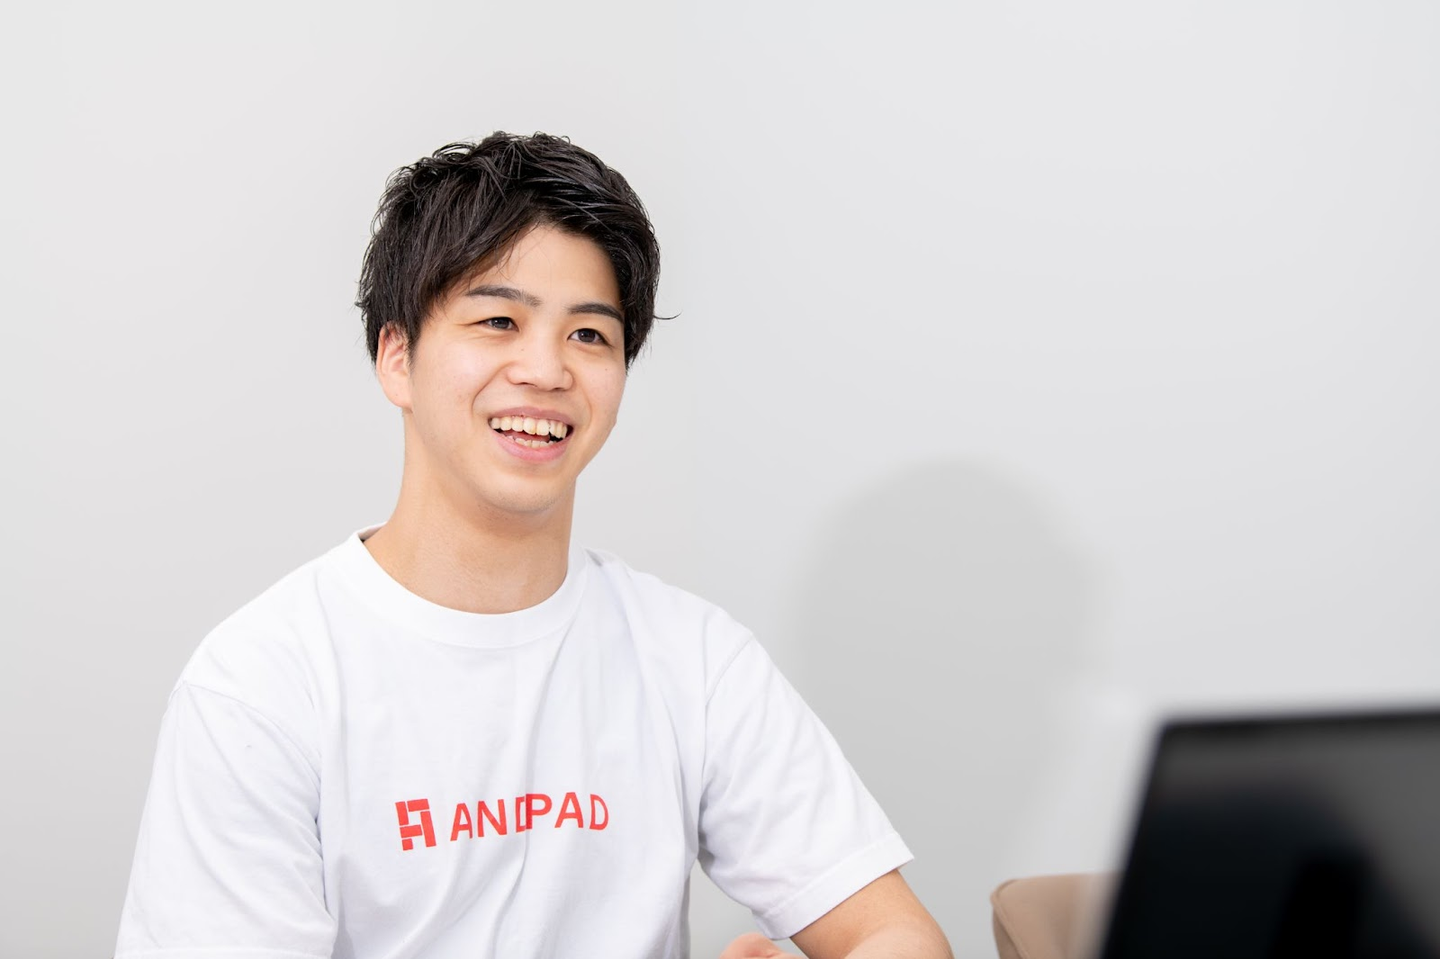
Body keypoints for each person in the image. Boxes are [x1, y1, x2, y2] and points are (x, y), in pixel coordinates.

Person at [115, 132, 952, 959]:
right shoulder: (261, 686)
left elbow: (896, 932)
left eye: (589, 335)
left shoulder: (693, 658)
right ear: (397, 357)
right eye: (498, 320)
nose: (547, 370)